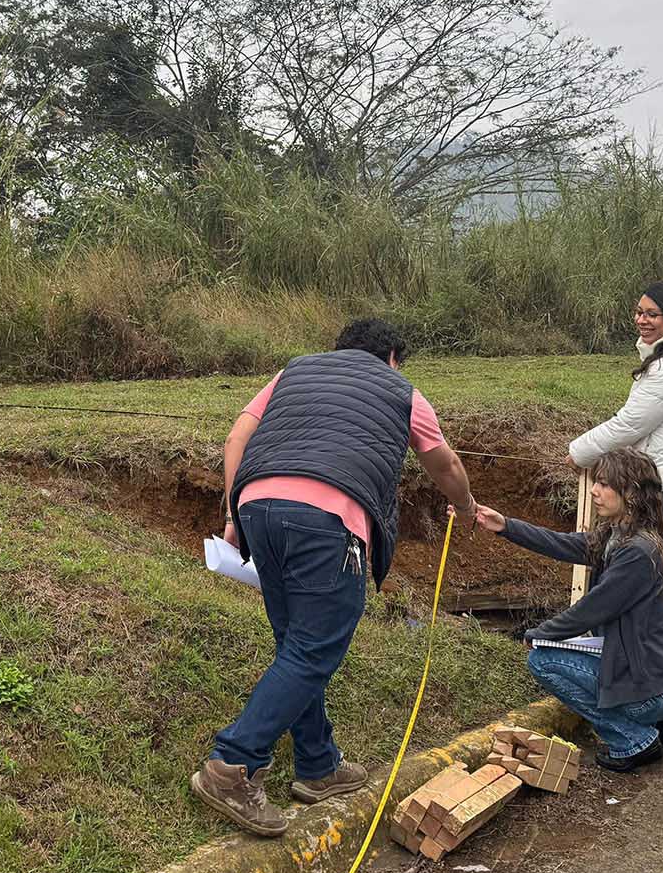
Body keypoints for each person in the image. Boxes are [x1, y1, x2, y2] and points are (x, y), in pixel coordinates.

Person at [191, 318, 483, 837]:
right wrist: (464, 503)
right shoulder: (403, 391)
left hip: (258, 506)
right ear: (393, 356)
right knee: (311, 650)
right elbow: (444, 463)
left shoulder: (294, 371)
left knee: (296, 645)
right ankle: (232, 765)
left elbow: (238, 434)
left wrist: (235, 514)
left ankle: (318, 764)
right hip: (326, 518)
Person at [567, 280, 663, 728]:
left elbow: (630, 423)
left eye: (651, 314)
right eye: (638, 311)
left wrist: (578, 451)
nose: (641, 319)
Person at [478, 448, 663, 772]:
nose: (593, 491)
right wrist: (505, 526)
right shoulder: (622, 534)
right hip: (655, 675)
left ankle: (634, 739)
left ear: (631, 493)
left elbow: (591, 611)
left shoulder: (636, 553)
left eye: (604, 484)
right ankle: (658, 722)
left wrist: (539, 635)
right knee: (555, 654)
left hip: (654, 684)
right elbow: (564, 544)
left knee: (542, 661)